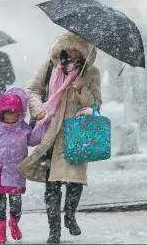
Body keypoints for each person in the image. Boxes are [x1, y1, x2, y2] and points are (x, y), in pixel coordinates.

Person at [20, 33, 102, 243]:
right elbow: (33, 91)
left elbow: (95, 105)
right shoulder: (50, 67)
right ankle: (53, 230)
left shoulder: (91, 72)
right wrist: (38, 111)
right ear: (62, 49)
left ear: (84, 52)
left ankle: (70, 216)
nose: (73, 53)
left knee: (75, 182)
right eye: (69, 49)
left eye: (78, 50)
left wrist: (81, 88)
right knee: (52, 184)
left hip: (77, 133)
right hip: (52, 133)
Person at [0, 87, 43, 245]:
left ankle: (14, 223)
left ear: (20, 114)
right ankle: (1, 234)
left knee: (16, 204)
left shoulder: (23, 128)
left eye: (14, 114)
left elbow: (34, 140)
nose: (10, 117)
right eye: (7, 114)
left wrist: (41, 125)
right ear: (1, 113)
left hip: (16, 172)